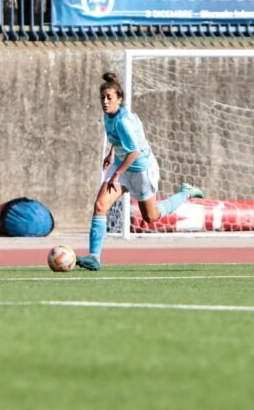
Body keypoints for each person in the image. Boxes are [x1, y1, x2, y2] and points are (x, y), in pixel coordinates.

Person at [76, 72, 204, 271]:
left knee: (150, 216)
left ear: (119, 99)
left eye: (109, 98)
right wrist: (111, 154)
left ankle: (185, 192)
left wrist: (117, 173)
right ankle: (94, 257)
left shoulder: (124, 121)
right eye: (102, 97)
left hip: (142, 170)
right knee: (100, 205)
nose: (105, 101)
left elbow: (134, 151)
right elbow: (117, 139)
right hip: (121, 164)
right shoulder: (109, 114)